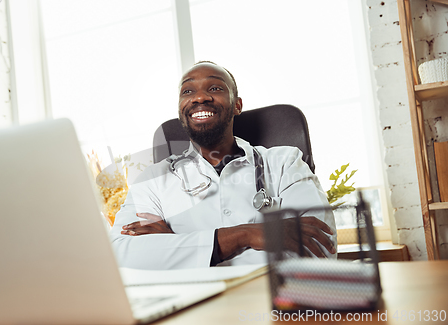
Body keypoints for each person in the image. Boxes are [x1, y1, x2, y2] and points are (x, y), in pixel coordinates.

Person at [109, 61, 337, 269]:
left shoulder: (284, 163)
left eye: (215, 88)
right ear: (180, 109)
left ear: (237, 105)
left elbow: (318, 246)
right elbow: (121, 254)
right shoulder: (153, 180)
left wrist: (175, 246)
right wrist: (245, 235)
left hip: (275, 308)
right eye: (188, 91)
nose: (200, 97)